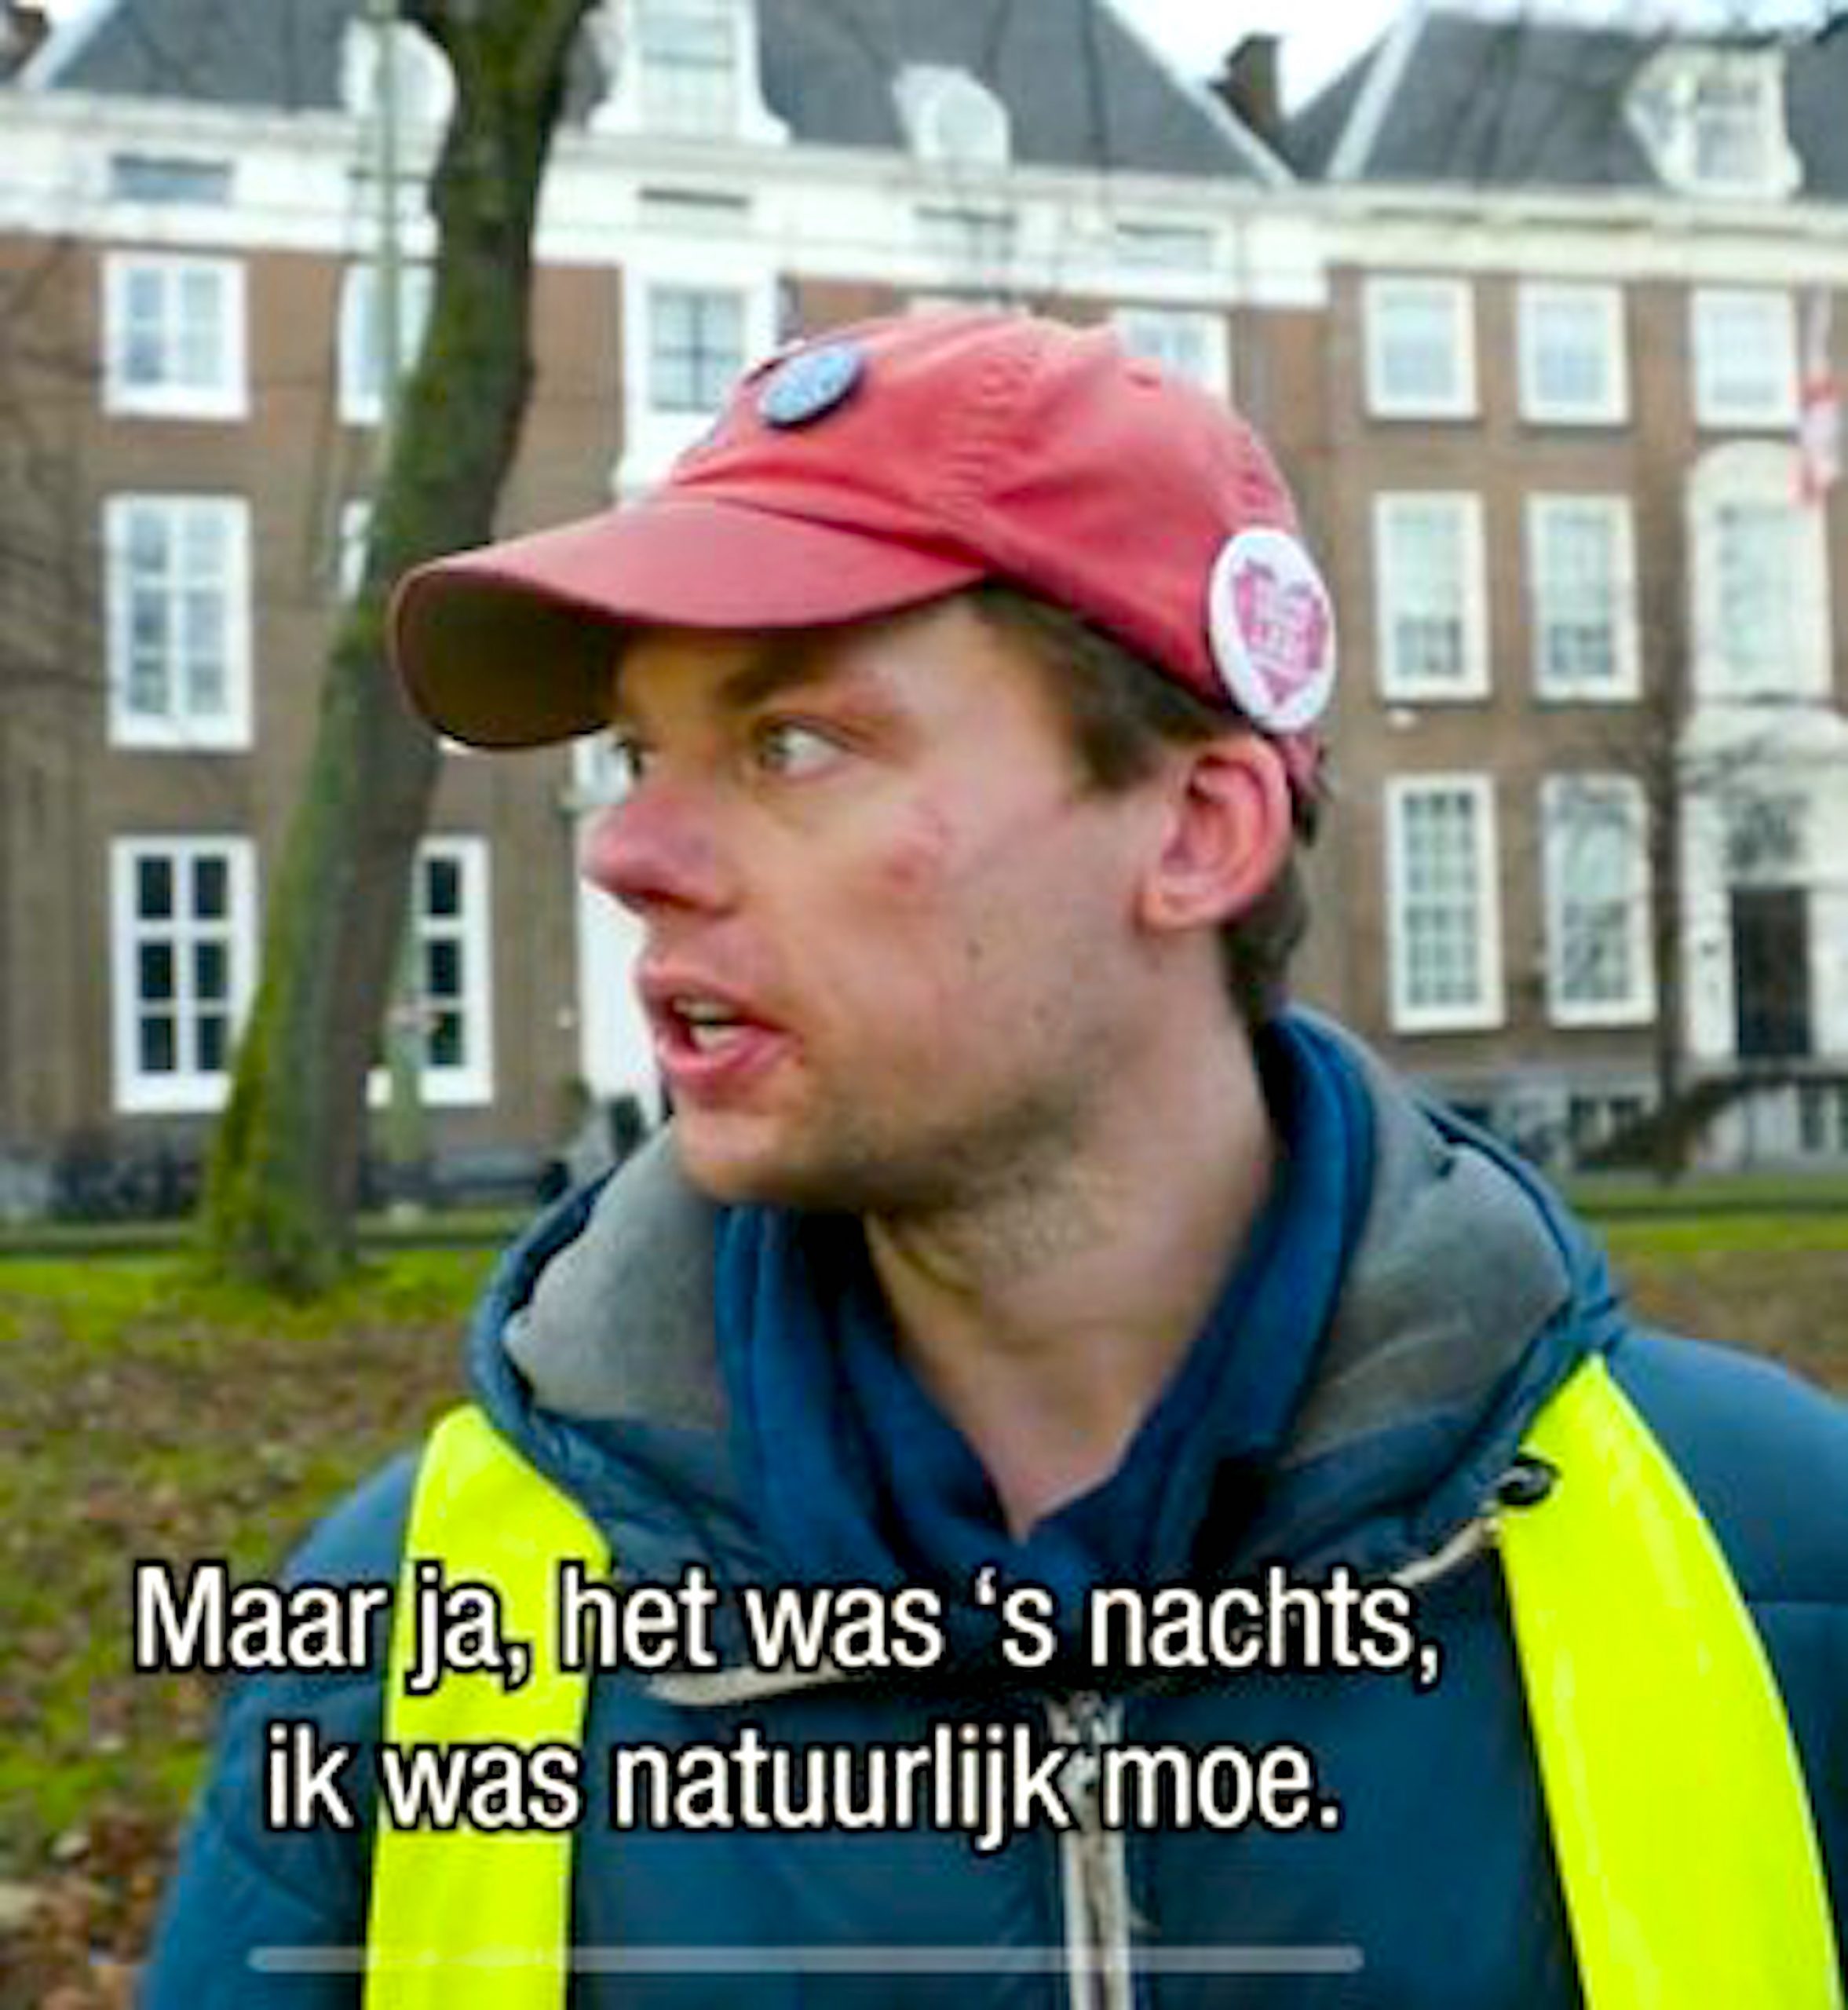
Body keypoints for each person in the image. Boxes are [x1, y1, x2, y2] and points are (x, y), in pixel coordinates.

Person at [146, 309, 1847, 2005]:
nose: (629, 851)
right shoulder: (405, 1641)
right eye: (637, 754)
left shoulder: (1778, 1562)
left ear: (1198, 831)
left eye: (789, 741)